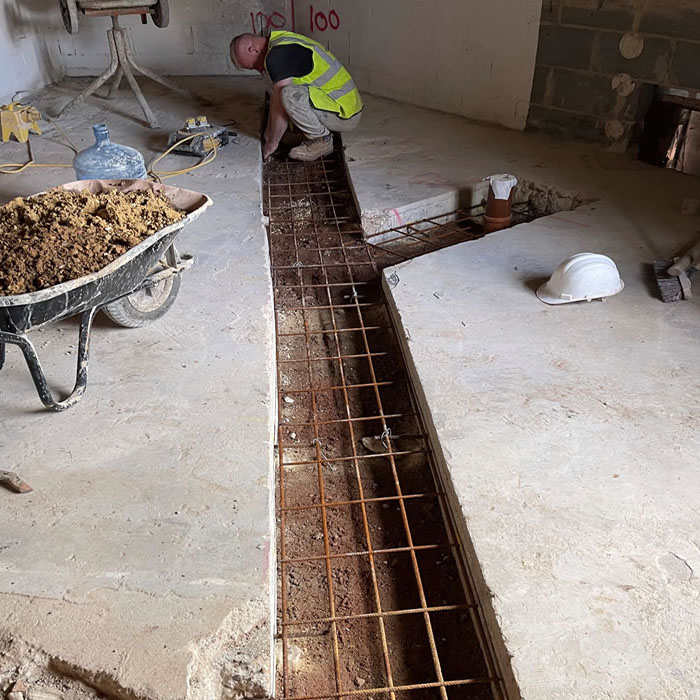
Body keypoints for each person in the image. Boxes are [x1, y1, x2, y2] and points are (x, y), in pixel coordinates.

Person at [230, 30, 363, 162]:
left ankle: (322, 140)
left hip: (345, 113)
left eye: (253, 66)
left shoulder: (276, 57)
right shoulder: (280, 40)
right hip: (342, 104)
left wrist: (272, 143)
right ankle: (303, 133)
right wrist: (269, 134)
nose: (259, 70)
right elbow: (276, 101)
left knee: (289, 95)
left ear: (253, 50)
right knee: (282, 94)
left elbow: (280, 106)